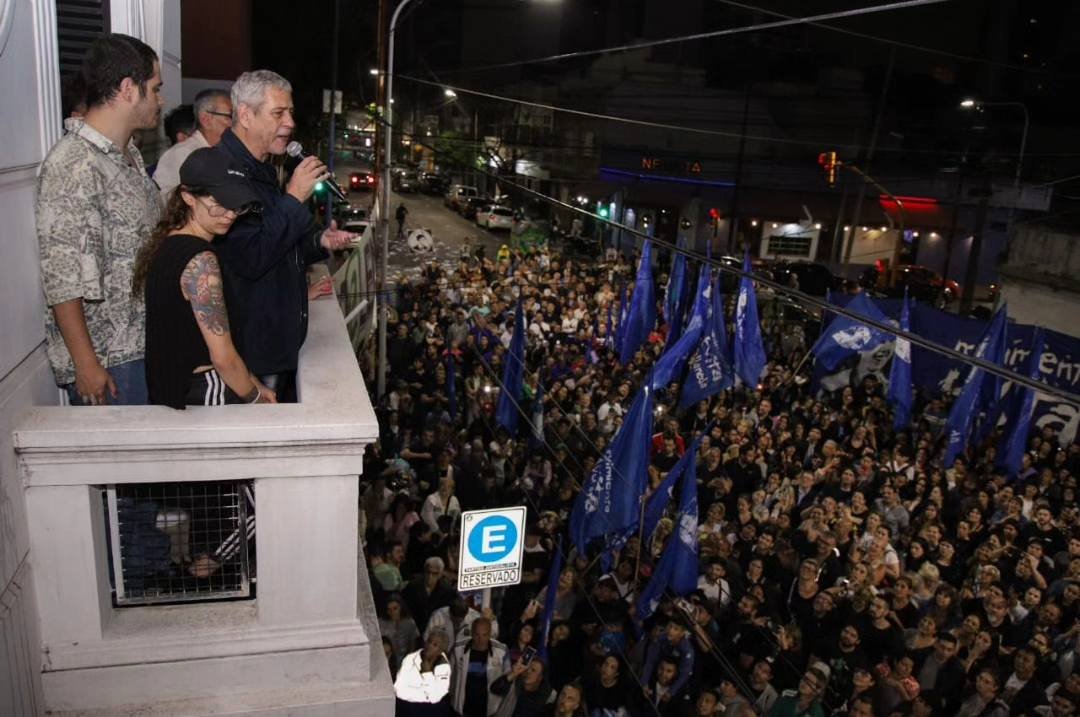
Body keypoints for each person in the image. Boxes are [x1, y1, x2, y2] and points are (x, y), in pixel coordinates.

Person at [36, 33, 164, 406]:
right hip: (111, 362)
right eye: (155, 89)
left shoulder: (128, 156)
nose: (160, 100)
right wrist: (86, 363)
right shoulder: (74, 163)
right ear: (128, 89)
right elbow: (63, 277)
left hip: (143, 346)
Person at [212, 70, 354, 400]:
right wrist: (293, 197)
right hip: (251, 354)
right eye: (278, 113)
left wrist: (319, 241)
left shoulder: (263, 166)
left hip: (276, 344)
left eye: (290, 112)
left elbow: (279, 242)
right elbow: (252, 257)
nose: (290, 123)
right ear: (245, 114)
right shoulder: (223, 171)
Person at [135, 147, 275, 407]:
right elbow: (223, 357)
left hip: (175, 391)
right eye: (219, 204)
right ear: (188, 197)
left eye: (238, 204)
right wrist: (256, 400)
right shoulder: (201, 261)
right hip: (210, 389)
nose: (231, 214)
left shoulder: (167, 243)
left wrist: (253, 381)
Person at [153, 88, 234, 197]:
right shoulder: (182, 154)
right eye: (230, 117)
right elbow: (165, 201)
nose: (234, 124)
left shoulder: (226, 152)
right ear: (206, 120)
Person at [449, 616, 509, 717]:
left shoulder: (501, 651)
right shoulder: (458, 648)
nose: (480, 639)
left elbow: (507, 679)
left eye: (484, 635)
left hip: (490, 710)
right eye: (477, 634)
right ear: (472, 633)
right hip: (462, 708)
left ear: (490, 634)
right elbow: (450, 675)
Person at [395, 628, 453, 716]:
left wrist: (427, 673)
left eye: (435, 645)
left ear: (441, 650)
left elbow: (435, 697)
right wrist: (426, 695)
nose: (429, 646)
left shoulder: (444, 666)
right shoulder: (410, 658)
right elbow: (398, 690)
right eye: (429, 641)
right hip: (407, 710)